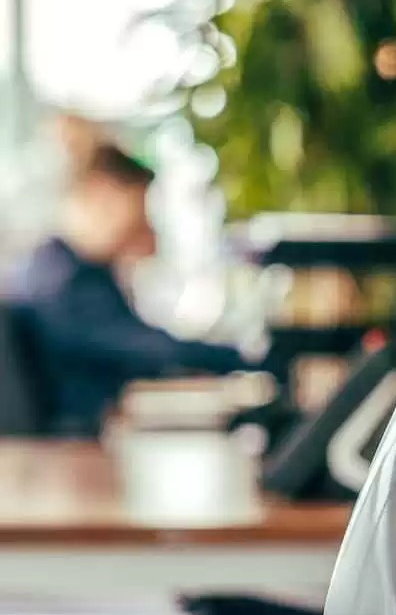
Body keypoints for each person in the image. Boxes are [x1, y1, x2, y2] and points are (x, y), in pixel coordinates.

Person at [19, 144, 252, 437]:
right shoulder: (63, 281)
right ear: (102, 193)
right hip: (67, 452)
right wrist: (249, 357)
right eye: (138, 206)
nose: (144, 223)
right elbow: (144, 349)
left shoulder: (73, 271)